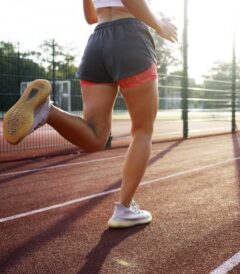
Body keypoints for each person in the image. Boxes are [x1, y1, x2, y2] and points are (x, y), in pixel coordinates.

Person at [2, 0, 177, 228]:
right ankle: (124, 208)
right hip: (131, 38)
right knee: (143, 129)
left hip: (97, 42)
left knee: (95, 137)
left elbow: (91, 17)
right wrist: (159, 24)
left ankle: (47, 111)